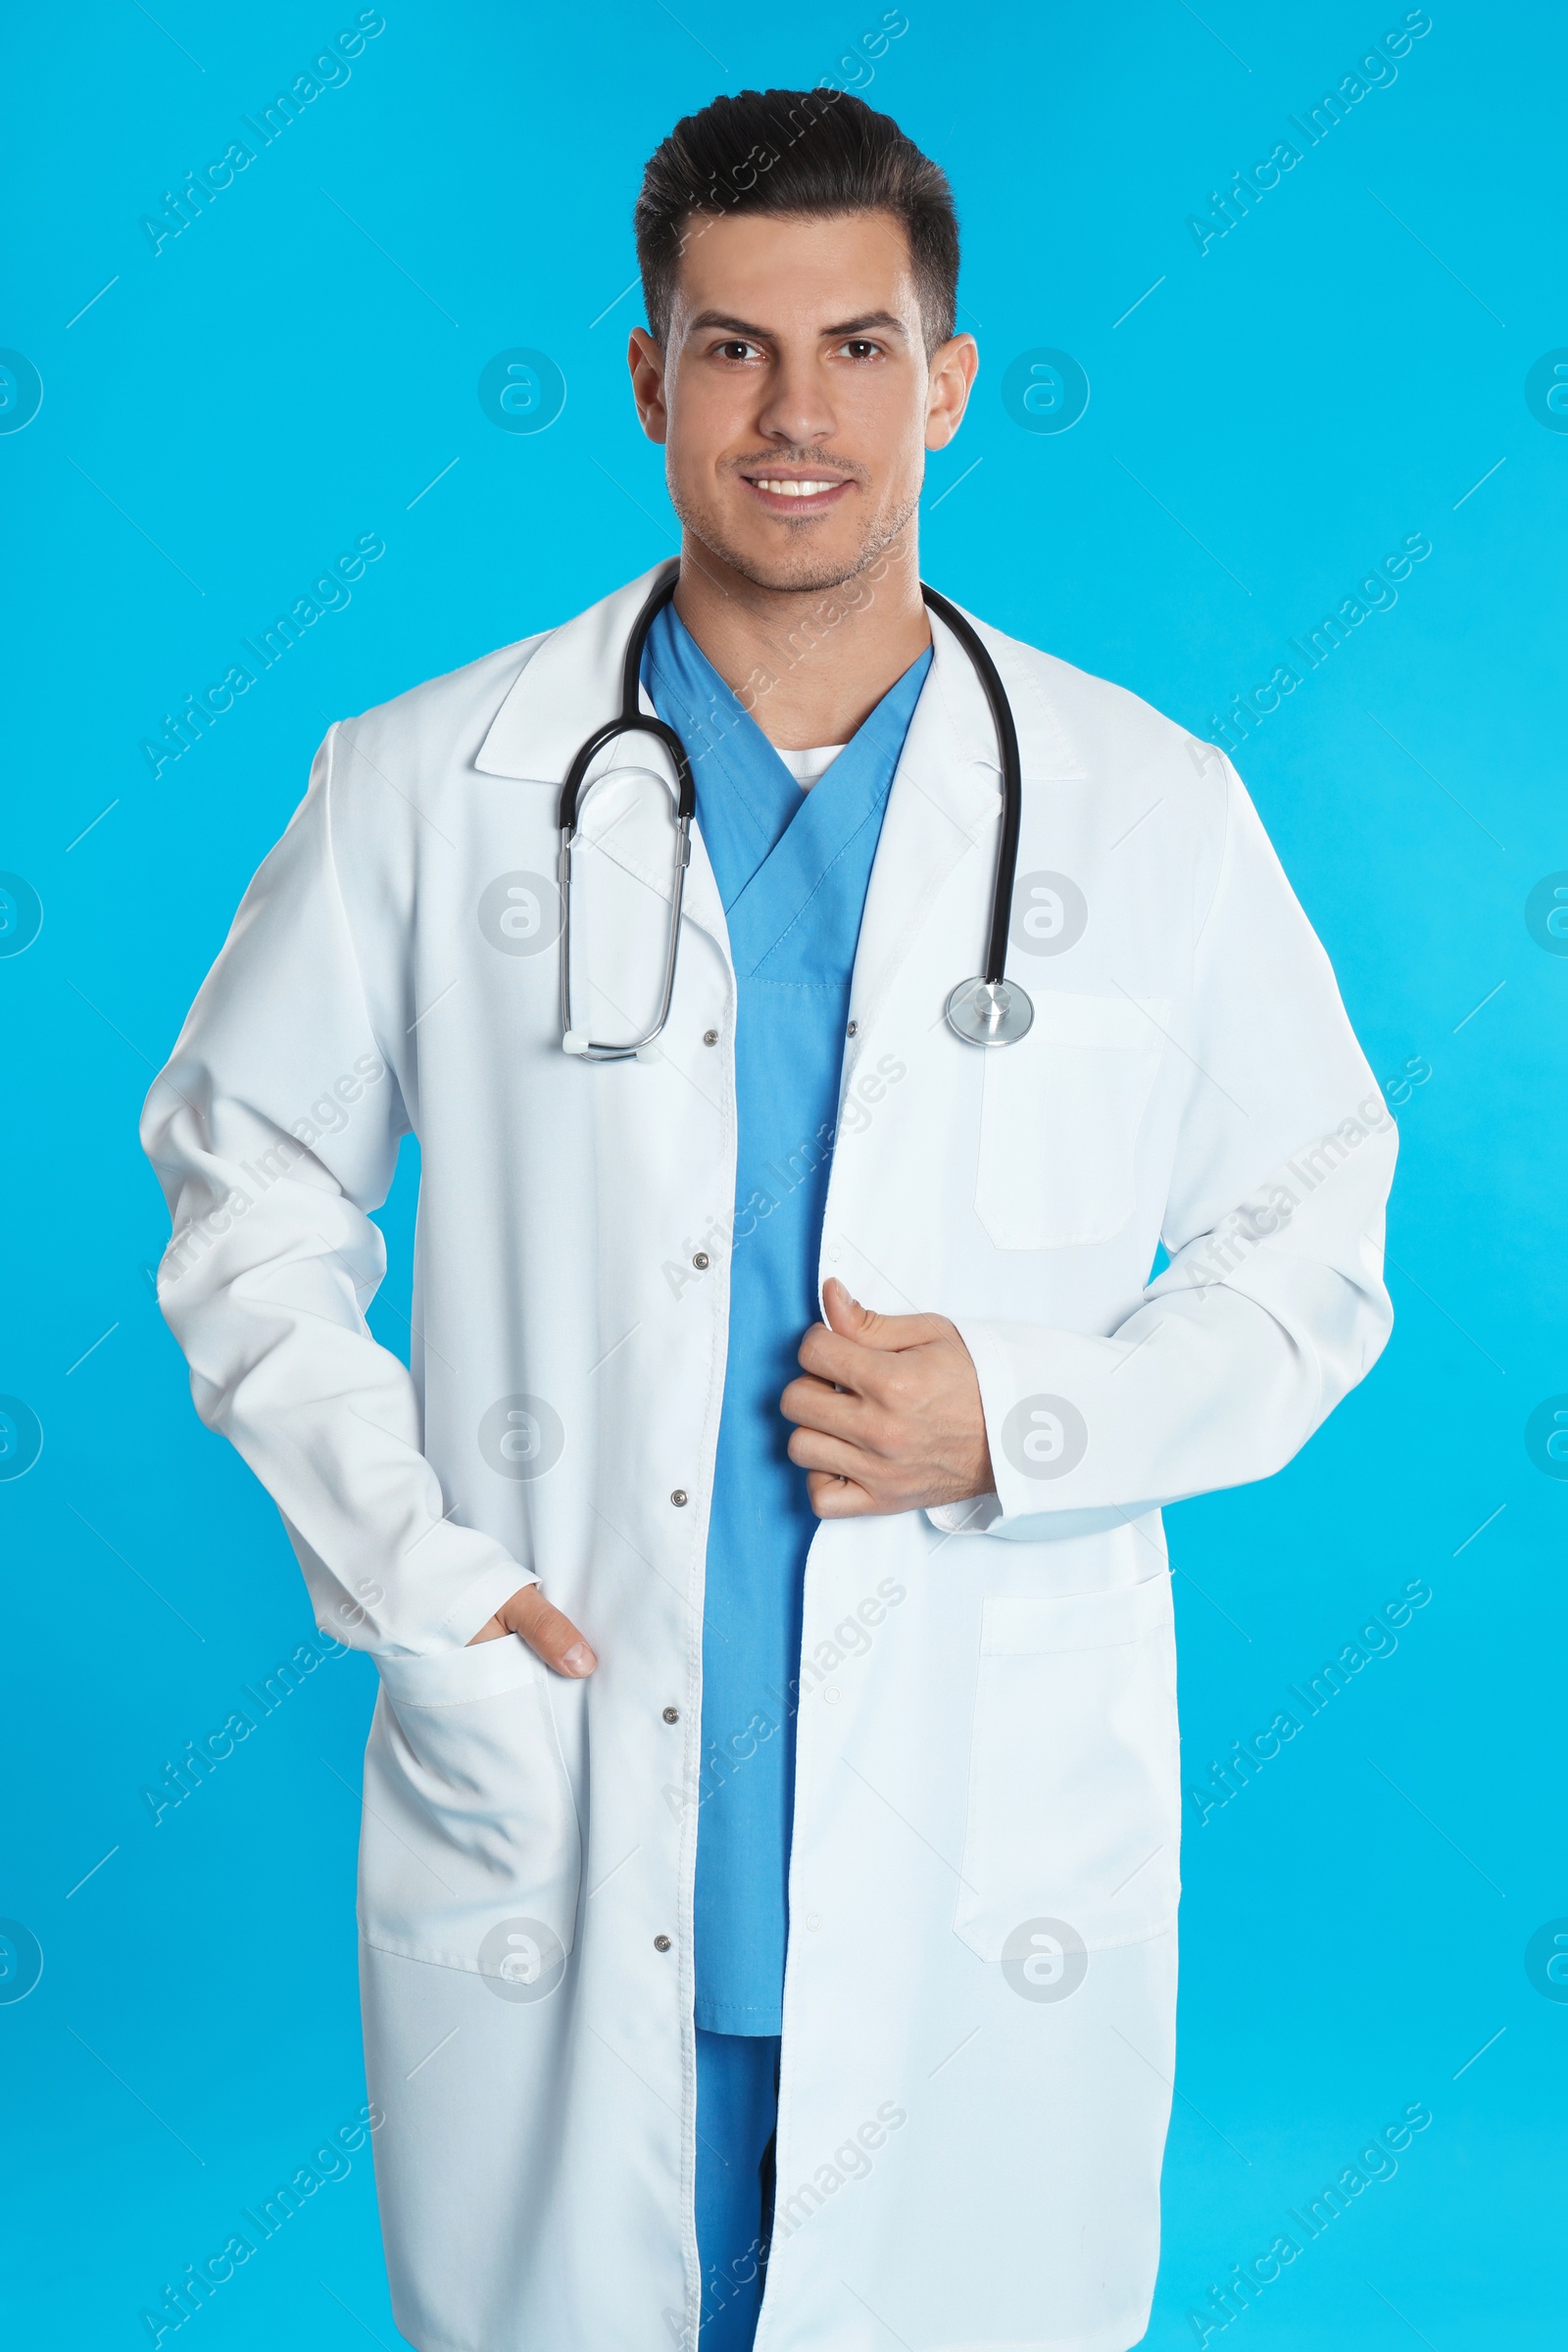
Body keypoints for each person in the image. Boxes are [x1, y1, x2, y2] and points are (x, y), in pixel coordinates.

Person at [141, 87, 1396, 2352]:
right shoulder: (431, 781)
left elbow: (1312, 1243)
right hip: (577, 1770)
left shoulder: (1147, 803)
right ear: (646, 381)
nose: (794, 413)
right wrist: (418, 1576)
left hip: (969, 1824)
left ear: (948, 376)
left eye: (851, 346)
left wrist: (1024, 1418)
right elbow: (245, 1192)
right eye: (730, 349)